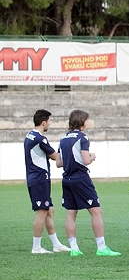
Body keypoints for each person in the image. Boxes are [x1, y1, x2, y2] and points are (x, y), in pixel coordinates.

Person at [57, 109, 121, 257]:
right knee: (96, 211)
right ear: (82, 121)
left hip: (67, 179)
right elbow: (85, 160)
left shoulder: (63, 138)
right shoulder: (82, 137)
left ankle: (74, 248)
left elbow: (59, 163)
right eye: (86, 120)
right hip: (80, 178)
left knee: (71, 213)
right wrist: (91, 156)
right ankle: (101, 247)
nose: (87, 122)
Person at [24, 109, 70, 254]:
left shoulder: (29, 135)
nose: (50, 123)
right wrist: (72, 155)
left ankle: (56, 244)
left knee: (49, 210)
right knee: (41, 212)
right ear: (43, 122)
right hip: (39, 180)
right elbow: (55, 157)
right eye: (49, 121)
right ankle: (36, 247)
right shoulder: (40, 138)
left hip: (35, 178)